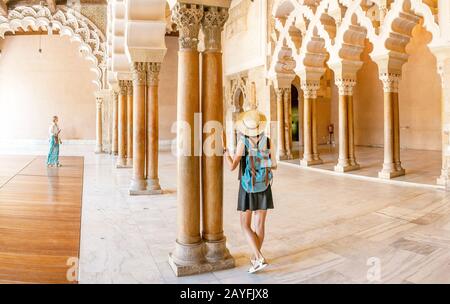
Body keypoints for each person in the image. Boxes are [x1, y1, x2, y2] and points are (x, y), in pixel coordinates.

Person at [223, 109, 276, 274]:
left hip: (248, 187)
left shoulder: (243, 142)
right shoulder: (267, 141)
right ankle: (256, 258)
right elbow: (273, 165)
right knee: (259, 224)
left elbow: (232, 167)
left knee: (244, 225)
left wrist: (226, 153)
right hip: (264, 186)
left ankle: (259, 258)